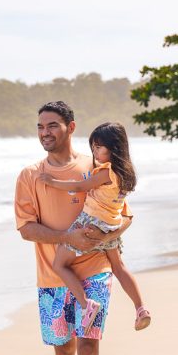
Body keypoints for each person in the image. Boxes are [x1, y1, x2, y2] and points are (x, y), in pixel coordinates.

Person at [14, 101, 132, 355]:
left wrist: (105, 237)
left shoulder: (94, 166)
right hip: (52, 278)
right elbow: (26, 229)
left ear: (71, 127)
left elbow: (122, 213)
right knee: (63, 352)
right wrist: (68, 237)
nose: (45, 132)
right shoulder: (29, 175)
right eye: (40, 126)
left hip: (95, 272)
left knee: (88, 350)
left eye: (52, 125)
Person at [38, 122, 151, 331]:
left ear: (114, 148)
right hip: (111, 226)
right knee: (119, 267)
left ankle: (86, 305)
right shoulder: (126, 173)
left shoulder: (106, 172)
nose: (95, 151)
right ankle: (140, 308)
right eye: (93, 147)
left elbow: (80, 186)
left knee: (59, 265)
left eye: (99, 147)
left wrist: (52, 182)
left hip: (90, 223)